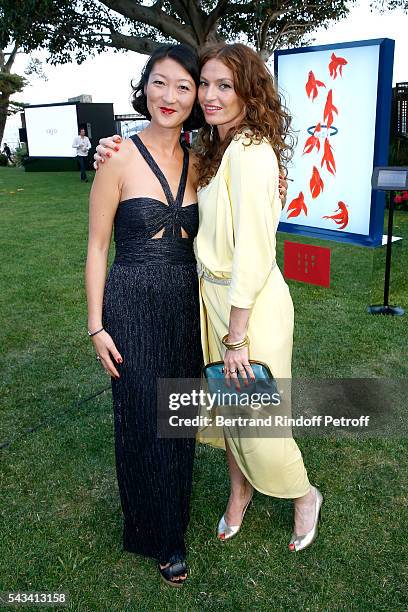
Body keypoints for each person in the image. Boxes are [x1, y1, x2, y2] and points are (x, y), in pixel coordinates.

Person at [93, 44, 321, 553]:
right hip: (208, 301)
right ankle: (239, 493)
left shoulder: (252, 150)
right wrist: (105, 150)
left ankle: (304, 494)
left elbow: (256, 252)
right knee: (228, 415)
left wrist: (237, 335)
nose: (213, 96)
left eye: (225, 85)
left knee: (259, 420)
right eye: (209, 85)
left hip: (248, 307)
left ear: (249, 91)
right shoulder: (214, 152)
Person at [85, 44, 204, 586]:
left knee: (179, 417)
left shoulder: (205, 161)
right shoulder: (116, 157)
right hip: (130, 303)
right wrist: (96, 324)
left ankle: (171, 514)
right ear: (145, 86)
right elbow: (96, 246)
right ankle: (158, 535)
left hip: (185, 305)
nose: (170, 96)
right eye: (161, 83)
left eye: (183, 86)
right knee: (141, 421)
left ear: (196, 96)